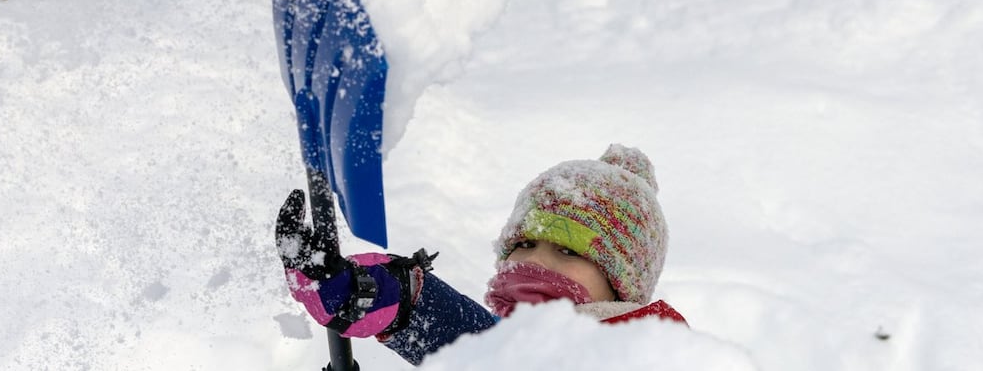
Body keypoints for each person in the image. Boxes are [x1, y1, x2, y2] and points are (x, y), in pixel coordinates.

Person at [275, 144, 686, 366]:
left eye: (566, 250)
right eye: (524, 245)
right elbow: (432, 317)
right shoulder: (505, 349)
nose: (536, 263)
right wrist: (360, 291)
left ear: (622, 287)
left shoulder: (652, 361)